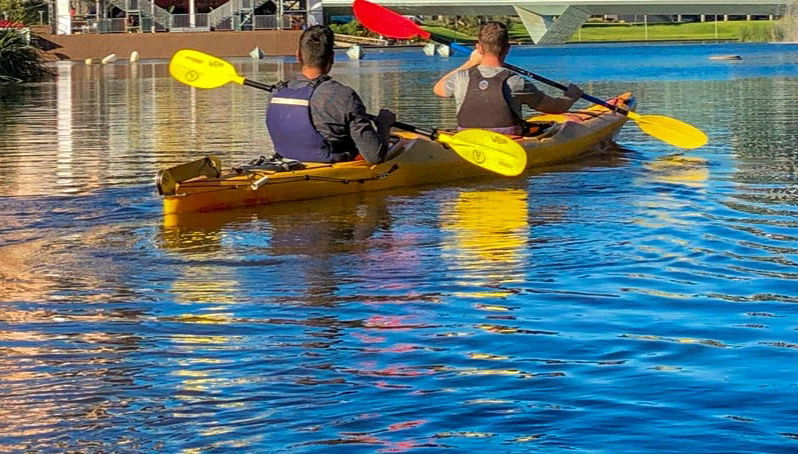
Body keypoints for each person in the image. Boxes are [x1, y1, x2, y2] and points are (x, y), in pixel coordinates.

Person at [266, 25, 396, 163]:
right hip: (330, 168)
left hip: (285, 163)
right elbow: (375, 157)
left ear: (298, 55)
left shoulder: (276, 94)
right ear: (332, 58)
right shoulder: (344, 96)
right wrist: (384, 125)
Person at [433, 21, 584, 136]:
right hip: (508, 141)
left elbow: (438, 88)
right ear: (507, 49)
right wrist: (571, 97)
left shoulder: (461, 77)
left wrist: (471, 62)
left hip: (467, 139)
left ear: (479, 48)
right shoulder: (516, 82)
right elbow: (556, 108)